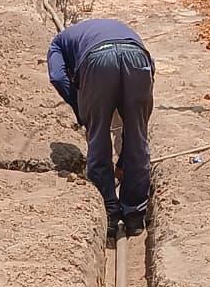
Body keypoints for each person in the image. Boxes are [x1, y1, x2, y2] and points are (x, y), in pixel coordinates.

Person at [46, 18, 155, 241]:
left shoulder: (57, 43)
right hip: (137, 57)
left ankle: (109, 212)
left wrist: (81, 107)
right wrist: (124, 159)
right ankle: (135, 216)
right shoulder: (115, 28)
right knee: (138, 136)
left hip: (97, 61)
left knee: (98, 137)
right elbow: (150, 68)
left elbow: (57, 76)